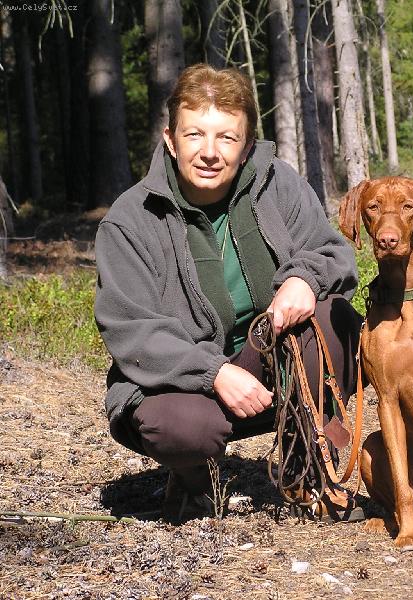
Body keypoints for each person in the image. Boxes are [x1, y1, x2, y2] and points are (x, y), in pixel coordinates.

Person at [94, 64, 363, 523]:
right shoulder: (129, 220)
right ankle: (194, 482)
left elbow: (331, 251)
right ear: (170, 139)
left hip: (270, 360)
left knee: (335, 319)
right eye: (195, 134)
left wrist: (303, 278)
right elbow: (132, 331)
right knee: (179, 428)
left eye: (226, 138)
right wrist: (215, 373)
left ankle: (305, 467)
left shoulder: (277, 183)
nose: (209, 152)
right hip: (183, 385)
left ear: (247, 146)